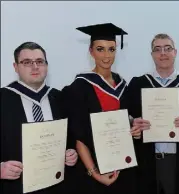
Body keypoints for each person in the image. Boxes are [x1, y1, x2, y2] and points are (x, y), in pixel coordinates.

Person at [63, 23, 139, 193]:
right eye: (100, 49)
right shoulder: (79, 88)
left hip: (124, 167)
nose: (106, 56)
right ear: (91, 51)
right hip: (95, 172)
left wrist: (135, 128)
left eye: (111, 49)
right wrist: (95, 173)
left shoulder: (123, 86)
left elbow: (129, 120)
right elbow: (79, 136)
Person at [0, 42, 78, 194]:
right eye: (27, 62)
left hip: (57, 185)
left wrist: (71, 153)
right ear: (16, 67)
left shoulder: (60, 98)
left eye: (40, 61)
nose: (35, 67)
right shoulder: (3, 99)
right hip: (16, 186)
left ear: (46, 66)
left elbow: (71, 138)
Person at [127, 33, 179, 194]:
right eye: (157, 49)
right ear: (151, 54)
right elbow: (126, 117)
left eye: (168, 49)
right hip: (147, 160)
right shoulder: (137, 84)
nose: (163, 53)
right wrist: (134, 124)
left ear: (175, 52)